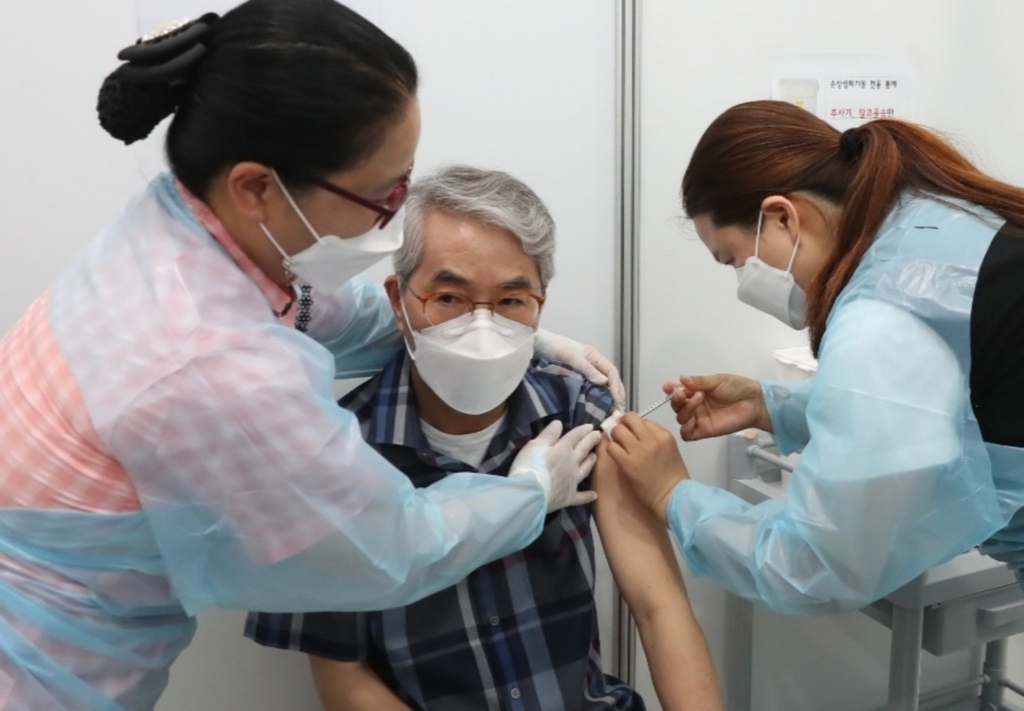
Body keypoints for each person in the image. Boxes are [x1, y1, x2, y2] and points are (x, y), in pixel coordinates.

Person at [0, 3, 623, 709]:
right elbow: (388, 547)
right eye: (382, 194)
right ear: (257, 187)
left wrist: (484, 320)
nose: (394, 213)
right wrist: (527, 494)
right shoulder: (211, 362)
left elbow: (315, 308)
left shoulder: (181, 229)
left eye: (405, 180)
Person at [245, 165, 721, 711]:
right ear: (399, 301)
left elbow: (659, 606)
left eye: (511, 301)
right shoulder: (336, 456)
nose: (482, 328)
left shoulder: (579, 411)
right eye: (449, 297)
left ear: (540, 301)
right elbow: (345, 680)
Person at [607, 99, 1024, 616]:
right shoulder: (930, 220)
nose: (743, 282)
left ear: (781, 216)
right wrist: (769, 405)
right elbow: (924, 409)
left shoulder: (881, 319)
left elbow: (812, 568)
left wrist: (673, 493)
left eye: (735, 259)